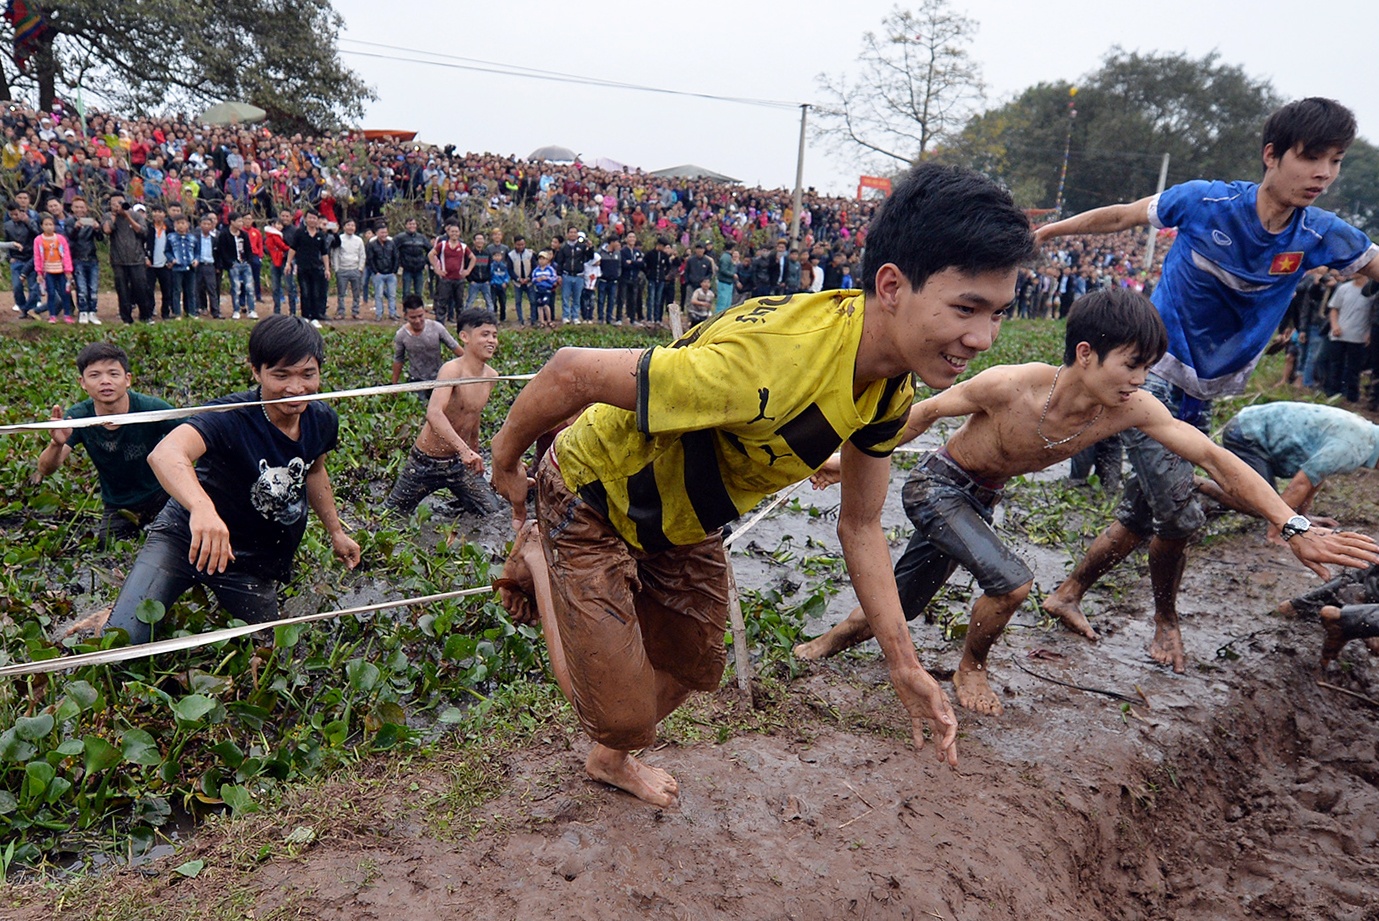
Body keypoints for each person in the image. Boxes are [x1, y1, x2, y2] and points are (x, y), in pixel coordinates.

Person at [488, 163, 1038, 806]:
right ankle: (539, 561)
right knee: (623, 714)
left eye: (998, 313)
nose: (983, 338)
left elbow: (860, 523)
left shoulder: (890, 385)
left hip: (684, 511)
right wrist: (504, 463)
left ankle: (610, 760)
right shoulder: (767, 365)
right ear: (892, 285)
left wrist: (904, 664)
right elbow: (570, 371)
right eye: (966, 309)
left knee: (696, 665)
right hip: (589, 495)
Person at [794, 290, 1379, 707]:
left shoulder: (1132, 408)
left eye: (1148, 368)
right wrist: (844, 463)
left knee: (909, 597)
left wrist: (1293, 523)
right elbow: (919, 414)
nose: (1140, 380)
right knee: (1013, 581)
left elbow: (1214, 458)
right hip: (938, 485)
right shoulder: (1009, 385)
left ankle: (830, 641)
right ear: (1084, 354)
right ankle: (971, 667)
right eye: (1131, 364)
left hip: (980, 500)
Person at [1036, 98, 1379, 671]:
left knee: (1138, 517)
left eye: (1336, 161)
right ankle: (1166, 621)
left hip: (1206, 390)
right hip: (1150, 377)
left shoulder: (1321, 233)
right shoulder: (1205, 201)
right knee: (1179, 516)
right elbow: (1122, 215)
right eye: (1311, 157)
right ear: (1272, 156)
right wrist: (1052, 231)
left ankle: (1067, 592)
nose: (1323, 173)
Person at [100, 315, 361, 644]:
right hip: (185, 539)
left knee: (268, 648)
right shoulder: (231, 416)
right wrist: (202, 509)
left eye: (307, 374)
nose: (296, 388)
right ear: (256, 371)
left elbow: (314, 470)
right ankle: (117, 610)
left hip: (250, 559)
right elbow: (165, 454)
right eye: (281, 375)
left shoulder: (322, 419)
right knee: (123, 640)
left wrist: (336, 532)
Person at [31, 342, 178, 544]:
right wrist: (56, 444)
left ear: (127, 380)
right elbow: (45, 469)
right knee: (106, 552)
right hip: (119, 505)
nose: (105, 381)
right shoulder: (78, 417)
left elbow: (196, 434)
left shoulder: (152, 409)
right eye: (95, 375)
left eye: (113, 374)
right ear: (82, 382)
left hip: (164, 495)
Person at [1197, 401, 1379, 541]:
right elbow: (1300, 483)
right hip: (1247, 433)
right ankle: (1196, 481)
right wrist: (1280, 532)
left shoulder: (1367, 436)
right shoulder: (1355, 448)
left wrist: (1301, 515)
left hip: (1257, 427)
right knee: (1261, 504)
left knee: (1268, 502)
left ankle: (1214, 491)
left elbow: (1318, 474)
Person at [385, 307, 500, 516]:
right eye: (485, 335)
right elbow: (434, 413)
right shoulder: (452, 370)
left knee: (493, 512)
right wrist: (465, 450)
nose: (492, 340)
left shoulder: (491, 376)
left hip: (458, 464)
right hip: (425, 462)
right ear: (464, 337)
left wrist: (474, 451)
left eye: (494, 335)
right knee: (390, 516)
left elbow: (474, 416)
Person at [391, 295, 462, 403]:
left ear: (425, 312)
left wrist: (473, 366)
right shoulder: (401, 335)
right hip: (417, 382)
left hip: (439, 379)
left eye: (420, 316)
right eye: (413, 317)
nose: (418, 320)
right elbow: (398, 360)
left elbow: (455, 347)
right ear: (405, 315)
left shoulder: (436, 327)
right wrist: (394, 385)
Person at [103, 194, 151, 324]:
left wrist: (127, 216)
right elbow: (107, 230)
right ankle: (126, 318)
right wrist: (114, 216)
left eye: (119, 202)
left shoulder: (135, 215)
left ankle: (145, 316)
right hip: (118, 260)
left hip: (137, 258)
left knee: (140, 287)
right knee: (122, 290)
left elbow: (142, 231)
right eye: (114, 203)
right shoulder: (108, 216)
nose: (117, 205)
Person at [288, 210, 332, 327]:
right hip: (303, 267)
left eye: (314, 218)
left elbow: (324, 253)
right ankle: (305, 316)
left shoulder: (320, 235)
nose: (312, 220)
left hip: (317, 268)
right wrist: (288, 263)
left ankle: (315, 317)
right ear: (306, 219)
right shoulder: (300, 233)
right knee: (305, 292)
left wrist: (327, 269)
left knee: (316, 292)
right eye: (310, 218)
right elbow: (293, 249)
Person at [67, 197, 103, 325]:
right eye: (76, 207)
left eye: (81, 207)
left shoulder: (92, 221)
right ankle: (83, 311)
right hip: (77, 259)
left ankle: (92, 311)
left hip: (92, 258)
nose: (79, 210)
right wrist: (76, 228)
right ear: (72, 208)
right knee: (81, 288)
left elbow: (100, 239)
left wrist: (98, 228)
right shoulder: (69, 222)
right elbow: (69, 238)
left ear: (86, 209)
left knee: (93, 288)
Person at [33, 213, 74, 324]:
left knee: (65, 293)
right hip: (48, 271)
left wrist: (68, 270)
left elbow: (66, 255)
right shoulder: (38, 240)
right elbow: (37, 256)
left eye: (51, 224)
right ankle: (52, 315)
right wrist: (39, 272)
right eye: (46, 224)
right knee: (50, 293)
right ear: (42, 226)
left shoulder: (60, 239)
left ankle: (67, 315)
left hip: (60, 270)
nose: (49, 227)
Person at [429, 222, 473, 326]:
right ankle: (439, 325)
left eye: (456, 232)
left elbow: (473, 258)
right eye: (452, 231)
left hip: (459, 279)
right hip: (445, 278)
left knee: (459, 304)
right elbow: (431, 254)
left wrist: (468, 271)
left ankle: (461, 326)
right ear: (448, 232)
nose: (454, 233)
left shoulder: (463, 246)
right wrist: (436, 269)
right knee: (442, 303)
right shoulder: (443, 245)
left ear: (459, 233)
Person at [331, 218, 365, 319]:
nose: (351, 227)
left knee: (356, 293)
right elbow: (335, 254)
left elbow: (362, 255)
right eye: (348, 225)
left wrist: (360, 268)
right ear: (344, 227)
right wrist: (336, 269)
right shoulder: (339, 239)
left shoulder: (359, 240)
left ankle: (355, 311)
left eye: (353, 225)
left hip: (355, 269)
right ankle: (341, 312)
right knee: (341, 293)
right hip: (342, 269)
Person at [367, 222, 400, 320]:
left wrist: (394, 270)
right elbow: (370, 259)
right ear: (377, 233)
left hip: (390, 273)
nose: (384, 235)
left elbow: (396, 257)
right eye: (382, 233)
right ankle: (379, 314)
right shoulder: (372, 245)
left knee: (392, 295)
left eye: (385, 232)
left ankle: (392, 313)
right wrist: (375, 271)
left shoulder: (391, 243)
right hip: (378, 274)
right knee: (379, 295)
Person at [531, 249, 557, 328]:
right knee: (539, 305)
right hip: (539, 290)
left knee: (546, 304)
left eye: (543, 259)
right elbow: (533, 279)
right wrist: (537, 280)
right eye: (540, 259)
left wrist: (546, 278)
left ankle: (549, 320)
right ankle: (541, 321)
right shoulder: (536, 270)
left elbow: (554, 278)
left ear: (547, 260)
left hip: (547, 290)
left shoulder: (550, 269)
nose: (541, 261)